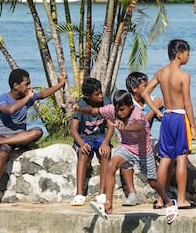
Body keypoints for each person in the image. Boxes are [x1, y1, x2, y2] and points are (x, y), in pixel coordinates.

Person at [72, 88, 178, 224]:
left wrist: (124, 128)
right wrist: (79, 109)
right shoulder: (113, 109)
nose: (119, 113)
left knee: (153, 182)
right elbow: (94, 111)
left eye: (122, 110)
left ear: (131, 106)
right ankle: (108, 205)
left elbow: (139, 126)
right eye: (117, 110)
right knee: (112, 166)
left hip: (143, 151)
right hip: (126, 147)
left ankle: (168, 202)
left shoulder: (137, 114)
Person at [0, 68, 65, 206]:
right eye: (26, 84)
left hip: (20, 137)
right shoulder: (1, 99)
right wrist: (28, 98)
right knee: (3, 151)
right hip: (3, 135)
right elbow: (10, 110)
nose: (29, 87)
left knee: (38, 131)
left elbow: (43, 95)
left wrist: (60, 85)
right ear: (16, 86)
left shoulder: (26, 98)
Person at [141, 39, 196, 209]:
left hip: (166, 117)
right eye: (187, 53)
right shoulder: (184, 76)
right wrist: (193, 127)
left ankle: (160, 200)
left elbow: (145, 93)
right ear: (179, 53)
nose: (189, 56)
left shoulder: (161, 73)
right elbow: (187, 103)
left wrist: (157, 111)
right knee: (181, 157)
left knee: (165, 159)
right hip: (180, 117)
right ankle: (181, 200)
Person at [69, 77, 115, 207]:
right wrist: (82, 144)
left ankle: (102, 193)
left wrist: (106, 143)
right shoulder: (81, 105)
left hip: (100, 137)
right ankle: (79, 194)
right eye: (97, 94)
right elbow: (73, 129)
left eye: (101, 93)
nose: (101, 96)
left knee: (106, 153)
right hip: (85, 138)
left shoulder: (106, 103)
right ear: (87, 96)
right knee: (83, 154)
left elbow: (111, 126)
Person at [120, 71, 164, 207]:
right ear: (134, 89)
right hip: (130, 140)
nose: (149, 87)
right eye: (145, 85)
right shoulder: (129, 103)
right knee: (124, 159)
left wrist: (162, 108)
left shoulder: (150, 100)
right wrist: (154, 108)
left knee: (165, 153)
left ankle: (163, 194)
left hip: (147, 139)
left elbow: (160, 117)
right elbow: (140, 123)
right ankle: (132, 194)